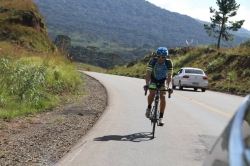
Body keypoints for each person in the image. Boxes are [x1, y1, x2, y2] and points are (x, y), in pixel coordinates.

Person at [143, 47, 173, 126]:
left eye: (163, 57)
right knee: (152, 92)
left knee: (163, 96)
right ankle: (149, 108)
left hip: (163, 79)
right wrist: (147, 84)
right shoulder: (153, 61)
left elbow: (170, 76)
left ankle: (161, 118)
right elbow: (148, 74)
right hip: (154, 78)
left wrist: (169, 86)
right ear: (157, 56)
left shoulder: (168, 63)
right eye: (158, 56)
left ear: (166, 57)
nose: (160, 58)